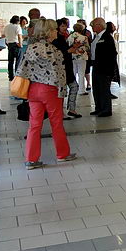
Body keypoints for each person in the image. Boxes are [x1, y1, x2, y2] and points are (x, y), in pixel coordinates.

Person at [17, 19, 76, 169]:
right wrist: (63, 92)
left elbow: (22, 70)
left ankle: (31, 159)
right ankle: (62, 154)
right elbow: (59, 74)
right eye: (54, 29)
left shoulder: (31, 48)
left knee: (34, 125)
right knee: (56, 123)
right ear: (48, 32)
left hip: (33, 90)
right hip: (50, 90)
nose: (57, 31)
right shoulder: (54, 51)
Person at [53, 18, 80, 119]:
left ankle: (71, 109)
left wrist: (73, 47)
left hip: (67, 67)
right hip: (61, 68)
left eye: (66, 26)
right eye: (63, 26)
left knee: (73, 87)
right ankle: (62, 112)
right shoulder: (56, 39)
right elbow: (60, 53)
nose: (65, 28)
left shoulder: (63, 37)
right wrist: (70, 50)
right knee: (63, 90)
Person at [89, 17, 117, 117]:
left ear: (99, 26)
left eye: (93, 25)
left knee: (104, 89)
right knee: (96, 88)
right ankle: (99, 108)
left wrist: (109, 70)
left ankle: (106, 109)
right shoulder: (96, 37)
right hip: (96, 65)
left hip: (104, 68)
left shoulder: (107, 37)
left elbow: (111, 54)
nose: (92, 27)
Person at [67, 23, 90, 105]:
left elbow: (68, 45)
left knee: (73, 73)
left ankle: (72, 88)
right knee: (81, 73)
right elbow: (87, 47)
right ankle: (81, 90)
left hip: (72, 56)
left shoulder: (70, 37)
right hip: (81, 57)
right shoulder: (84, 37)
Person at [4, 15, 22, 81]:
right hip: (16, 45)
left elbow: (5, 36)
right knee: (18, 61)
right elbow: (19, 36)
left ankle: (10, 76)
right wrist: (20, 44)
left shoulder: (7, 27)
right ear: (17, 21)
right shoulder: (17, 26)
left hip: (9, 45)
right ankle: (17, 76)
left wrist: (7, 43)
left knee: (10, 62)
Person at [105, 22, 120, 99]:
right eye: (113, 26)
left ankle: (108, 92)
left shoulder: (111, 36)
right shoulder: (108, 37)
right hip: (110, 60)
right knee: (109, 76)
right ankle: (107, 92)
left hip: (112, 59)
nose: (115, 27)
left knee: (110, 76)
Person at [79, 19, 93, 92]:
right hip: (78, 55)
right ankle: (81, 86)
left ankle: (88, 83)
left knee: (86, 70)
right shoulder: (74, 34)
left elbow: (89, 44)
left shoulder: (87, 33)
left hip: (86, 54)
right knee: (80, 71)